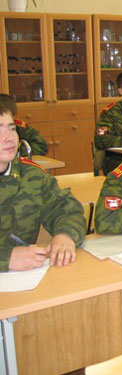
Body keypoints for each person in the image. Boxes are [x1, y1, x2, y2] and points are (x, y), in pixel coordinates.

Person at [0, 103, 85, 271]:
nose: (9, 137)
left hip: (24, 278)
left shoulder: (31, 175)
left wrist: (65, 235)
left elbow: (66, 210)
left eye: (12, 128)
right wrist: (6, 258)